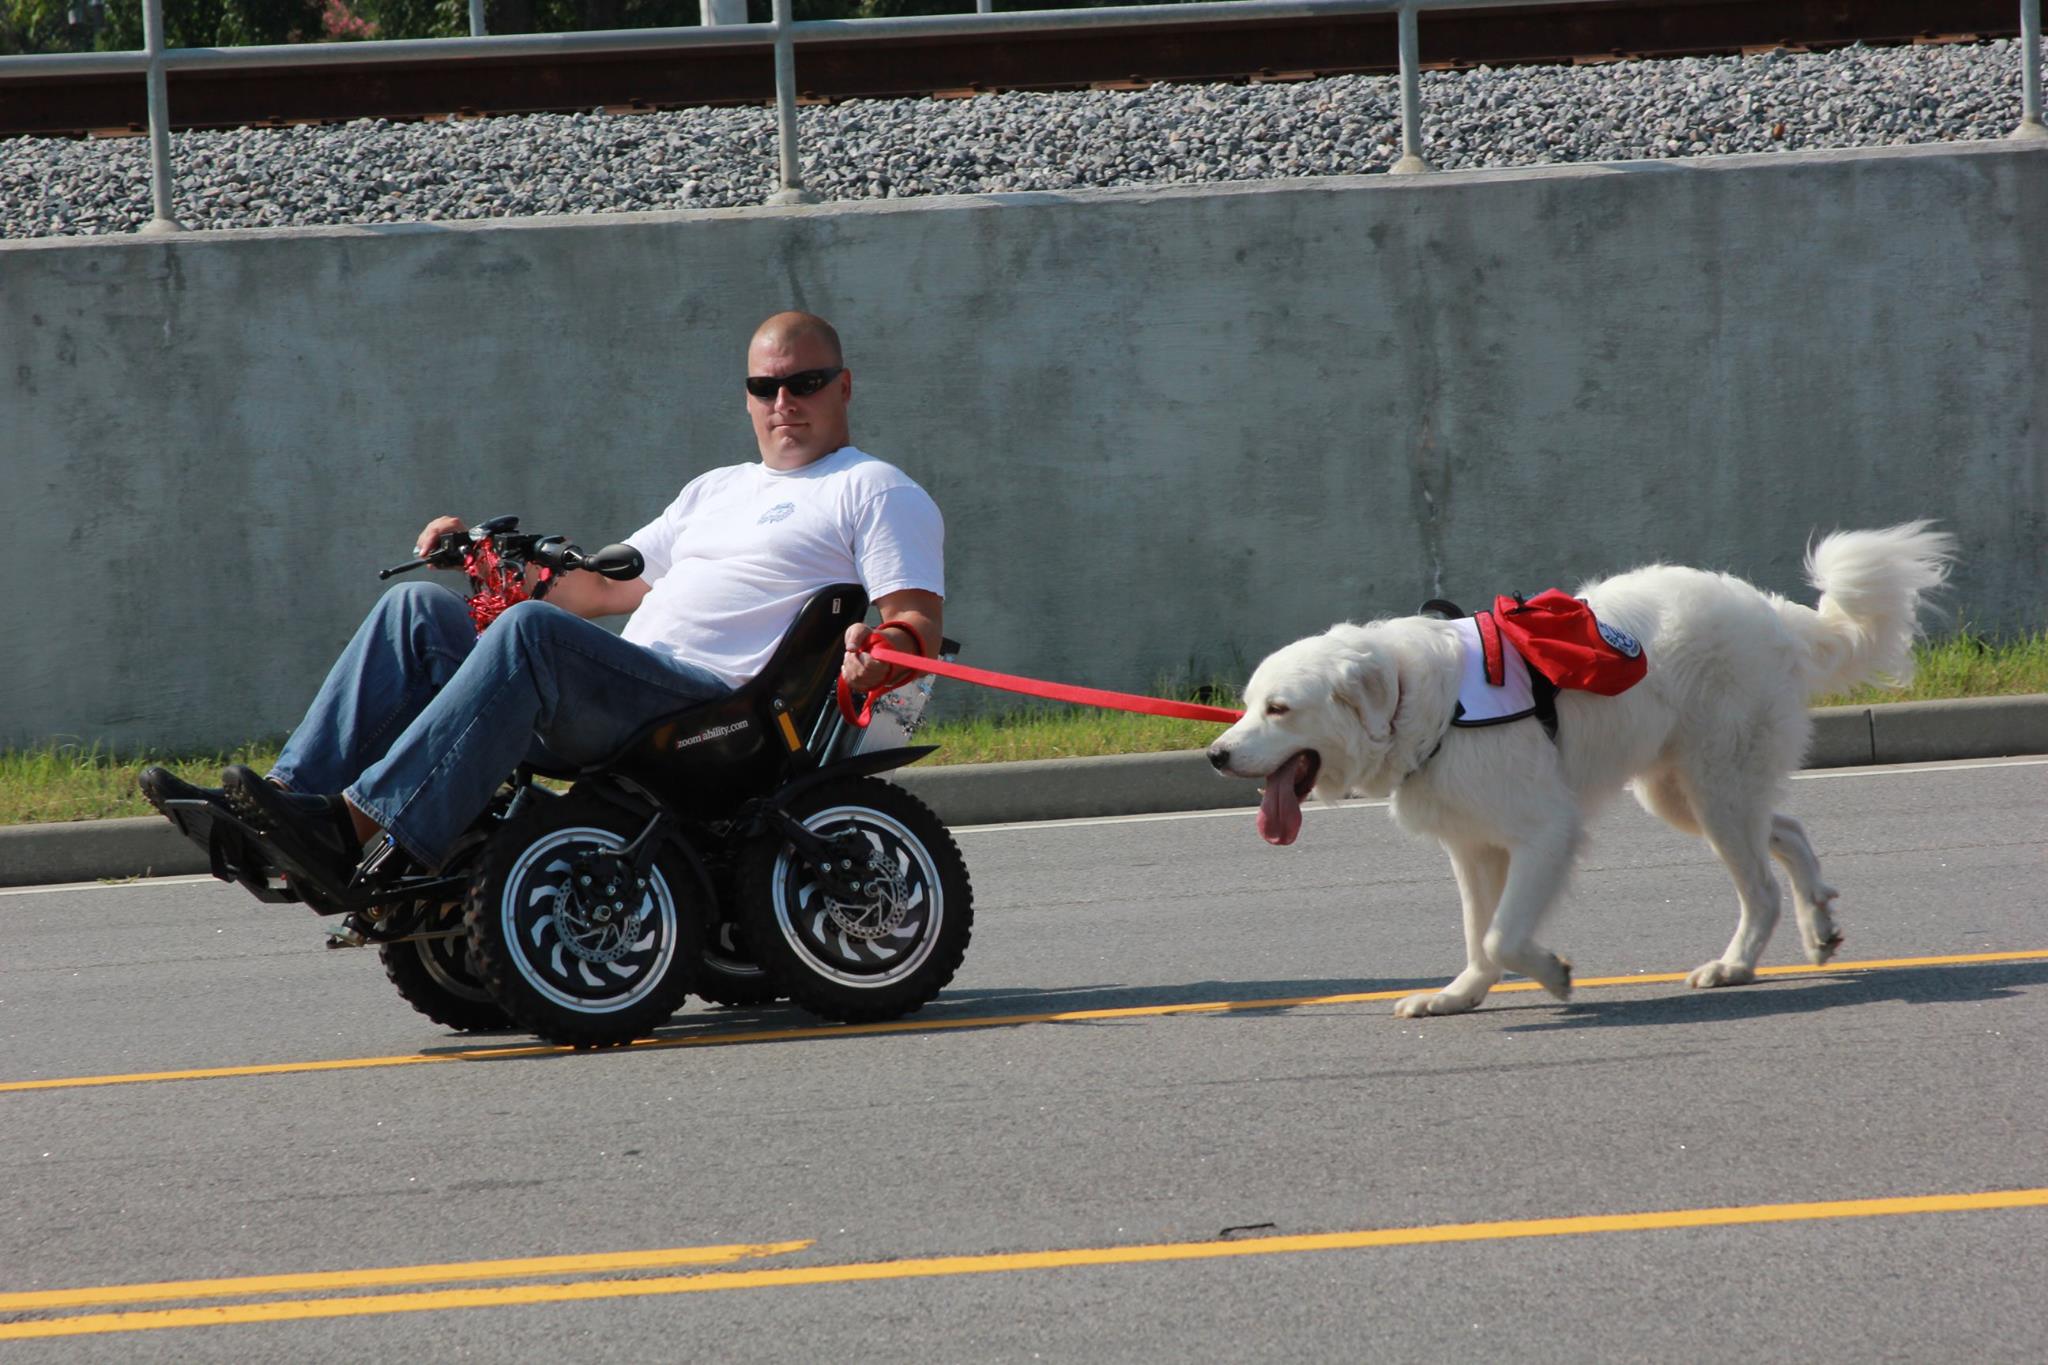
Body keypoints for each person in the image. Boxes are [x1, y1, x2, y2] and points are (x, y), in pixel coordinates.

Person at [140, 311, 945, 889]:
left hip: (718, 713)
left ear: (844, 386)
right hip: (634, 687)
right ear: (745, 396)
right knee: (416, 613)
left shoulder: (874, 489)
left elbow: (912, 623)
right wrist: (484, 563)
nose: (783, 402)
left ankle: (348, 827)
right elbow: (597, 587)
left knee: (529, 634)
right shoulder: (716, 490)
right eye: (765, 386)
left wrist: (879, 652)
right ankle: (281, 809)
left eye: (803, 383)